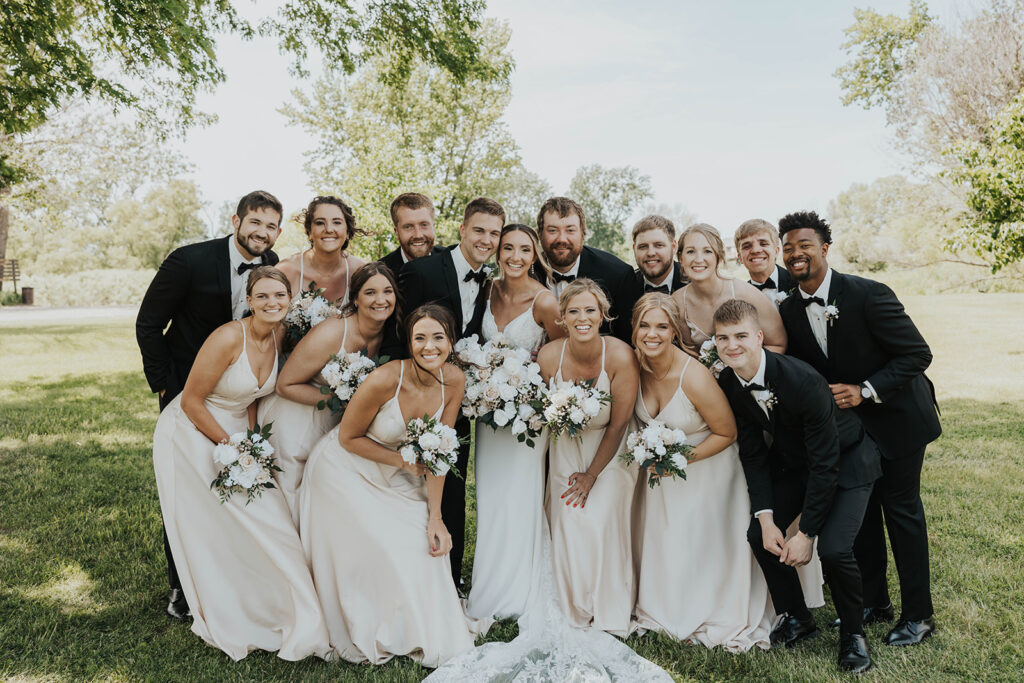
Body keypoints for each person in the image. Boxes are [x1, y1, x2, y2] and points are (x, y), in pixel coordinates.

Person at [777, 210, 941, 646]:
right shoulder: (789, 310)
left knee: (901, 513)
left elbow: (916, 355)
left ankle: (918, 616)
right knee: (864, 514)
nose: (796, 254)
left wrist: (866, 389)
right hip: (847, 432)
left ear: (825, 249)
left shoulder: (869, 294)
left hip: (898, 419)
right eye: (788, 247)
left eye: (805, 245)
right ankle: (874, 601)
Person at [151, 267, 330, 661]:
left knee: (274, 521)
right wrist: (232, 447)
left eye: (279, 297)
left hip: (238, 435)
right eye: (262, 297)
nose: (271, 303)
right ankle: (233, 606)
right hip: (192, 431)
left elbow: (251, 396)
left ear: (289, 300)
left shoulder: (280, 334)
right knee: (225, 523)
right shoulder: (229, 337)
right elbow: (192, 400)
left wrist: (251, 442)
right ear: (249, 301)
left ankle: (284, 607)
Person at [299, 305, 481, 666]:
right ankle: (373, 624)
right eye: (420, 338)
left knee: (423, 545)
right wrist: (402, 461)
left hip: (394, 474)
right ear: (409, 342)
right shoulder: (385, 379)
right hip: (342, 472)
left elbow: (439, 450)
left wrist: (435, 518)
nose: (429, 346)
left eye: (438, 337)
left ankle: (417, 627)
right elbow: (348, 438)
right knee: (385, 544)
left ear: (451, 341)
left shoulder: (455, 380)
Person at [715, 298, 882, 674]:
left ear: (759, 337)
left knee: (836, 549)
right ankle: (797, 616)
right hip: (795, 465)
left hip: (847, 461)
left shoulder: (801, 379)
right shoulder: (728, 382)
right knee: (760, 536)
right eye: (723, 338)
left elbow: (826, 463)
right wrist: (767, 517)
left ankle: (853, 635)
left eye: (741, 335)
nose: (732, 346)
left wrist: (806, 532)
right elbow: (754, 454)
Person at [137, 189, 283, 619]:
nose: (262, 232)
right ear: (235, 221)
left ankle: (231, 576)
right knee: (186, 493)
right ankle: (181, 586)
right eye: (255, 222)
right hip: (189, 395)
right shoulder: (189, 260)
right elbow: (149, 323)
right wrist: (165, 385)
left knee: (231, 491)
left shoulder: (272, 269)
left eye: (271, 226)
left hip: (240, 397)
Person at [630, 293, 773, 651]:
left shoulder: (693, 375)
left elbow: (728, 432)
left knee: (700, 542)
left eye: (662, 326)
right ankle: (667, 604)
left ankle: (714, 606)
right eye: (645, 325)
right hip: (665, 479)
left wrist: (678, 460)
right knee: (669, 540)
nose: (652, 334)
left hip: (711, 472)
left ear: (675, 330)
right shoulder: (634, 365)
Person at [397, 196, 505, 586]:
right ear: (462, 230)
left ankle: (451, 574)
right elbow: (400, 334)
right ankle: (411, 569)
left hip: (460, 397)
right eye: (479, 230)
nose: (486, 239)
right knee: (413, 477)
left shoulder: (493, 279)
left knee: (454, 479)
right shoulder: (423, 272)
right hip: (419, 393)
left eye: (494, 233)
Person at [466, 224, 562, 621]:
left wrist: (528, 386)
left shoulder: (544, 302)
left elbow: (560, 349)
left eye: (525, 249)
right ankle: (488, 586)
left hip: (527, 417)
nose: (516, 256)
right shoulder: (488, 289)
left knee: (519, 497)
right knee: (490, 497)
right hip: (490, 414)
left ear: (534, 254)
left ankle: (521, 592)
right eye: (508, 248)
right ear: (499, 251)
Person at [535, 279, 640, 635]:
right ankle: (573, 605)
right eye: (573, 311)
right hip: (566, 451)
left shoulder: (621, 355)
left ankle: (608, 607)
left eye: (590, 310)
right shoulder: (550, 356)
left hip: (609, 455)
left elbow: (621, 421)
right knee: (569, 520)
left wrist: (592, 475)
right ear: (562, 317)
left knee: (600, 520)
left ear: (603, 315)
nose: (582, 318)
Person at [257, 262, 399, 524]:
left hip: (335, 424)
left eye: (387, 291)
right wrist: (342, 400)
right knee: (293, 497)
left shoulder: (391, 333)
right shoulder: (333, 332)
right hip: (297, 418)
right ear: (355, 299)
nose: (380, 300)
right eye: (370, 293)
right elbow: (285, 385)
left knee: (324, 497)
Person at [671, 223, 786, 357]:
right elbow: (692, 355)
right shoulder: (678, 302)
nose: (698, 259)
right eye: (690, 251)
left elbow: (778, 344)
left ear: (718, 256)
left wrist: (743, 371)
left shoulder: (746, 293)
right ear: (680, 258)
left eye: (707, 251)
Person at [536, 196, 636, 342]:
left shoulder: (618, 274)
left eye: (570, 230)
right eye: (552, 230)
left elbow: (629, 341)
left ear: (583, 234)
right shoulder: (527, 272)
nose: (562, 239)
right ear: (539, 234)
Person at [276, 195, 366, 306]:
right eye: (319, 223)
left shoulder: (360, 272)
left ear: (347, 232)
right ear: (309, 232)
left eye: (337, 222)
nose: (328, 229)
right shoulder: (286, 270)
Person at [380, 192, 444, 276]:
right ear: (397, 232)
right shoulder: (382, 273)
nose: (418, 235)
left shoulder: (452, 261)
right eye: (408, 227)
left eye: (424, 225)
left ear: (433, 228)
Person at [735, 218, 795, 303]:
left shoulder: (799, 283)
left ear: (776, 251)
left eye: (763, 244)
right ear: (740, 257)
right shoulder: (739, 297)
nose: (755, 250)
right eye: (747, 246)